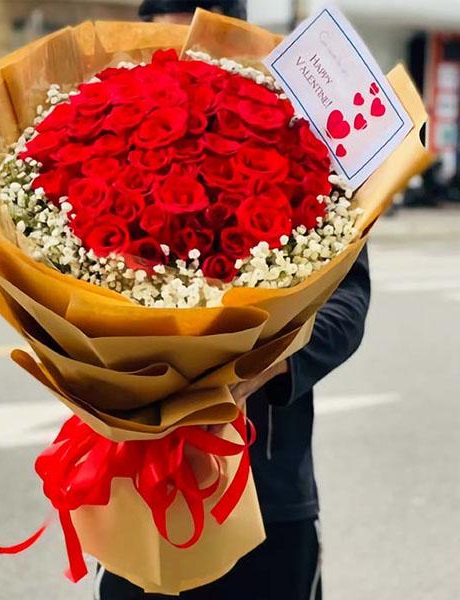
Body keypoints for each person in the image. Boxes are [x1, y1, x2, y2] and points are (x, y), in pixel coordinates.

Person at [96, 2, 371, 598]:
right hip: (139, 480)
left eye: (196, 48)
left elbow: (348, 304)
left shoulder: (305, 144)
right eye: (161, 48)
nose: (180, 65)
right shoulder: (108, 145)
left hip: (267, 484)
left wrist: (272, 364)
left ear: (236, 42)